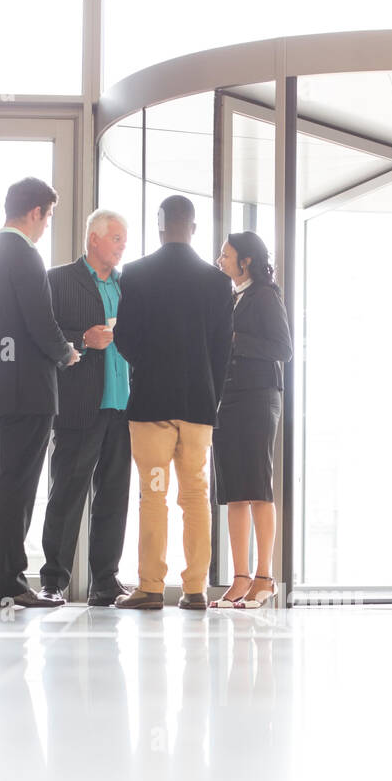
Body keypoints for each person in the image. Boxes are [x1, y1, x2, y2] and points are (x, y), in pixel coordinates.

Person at [0, 176, 80, 609]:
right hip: (29, 393)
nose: (46, 226)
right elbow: (41, 325)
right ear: (35, 213)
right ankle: (10, 582)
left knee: (6, 483)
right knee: (18, 486)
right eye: (47, 217)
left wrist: (2, 355)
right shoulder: (27, 258)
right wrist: (66, 352)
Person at [112, 195, 233, 610]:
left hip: (151, 406)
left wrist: (149, 365)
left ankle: (150, 587)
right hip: (199, 409)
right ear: (194, 228)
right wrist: (209, 394)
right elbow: (222, 352)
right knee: (197, 496)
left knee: (154, 493)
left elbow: (124, 338)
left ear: (160, 224)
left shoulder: (138, 273)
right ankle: (196, 589)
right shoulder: (218, 282)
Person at [38, 209, 133, 606]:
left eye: (124, 239)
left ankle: (105, 583)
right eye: (116, 238)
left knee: (113, 495)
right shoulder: (58, 280)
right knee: (67, 493)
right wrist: (82, 338)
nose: (122, 245)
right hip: (78, 405)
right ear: (93, 238)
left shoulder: (129, 286)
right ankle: (53, 582)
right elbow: (43, 333)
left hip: (123, 405)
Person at [211, 231, 292, 608]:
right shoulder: (229, 297)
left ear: (245, 260)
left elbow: (283, 349)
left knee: (258, 485)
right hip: (228, 399)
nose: (219, 259)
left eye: (226, 254)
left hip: (259, 398)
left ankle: (265, 577)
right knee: (233, 490)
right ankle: (239, 577)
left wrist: (234, 340)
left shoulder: (265, 295)